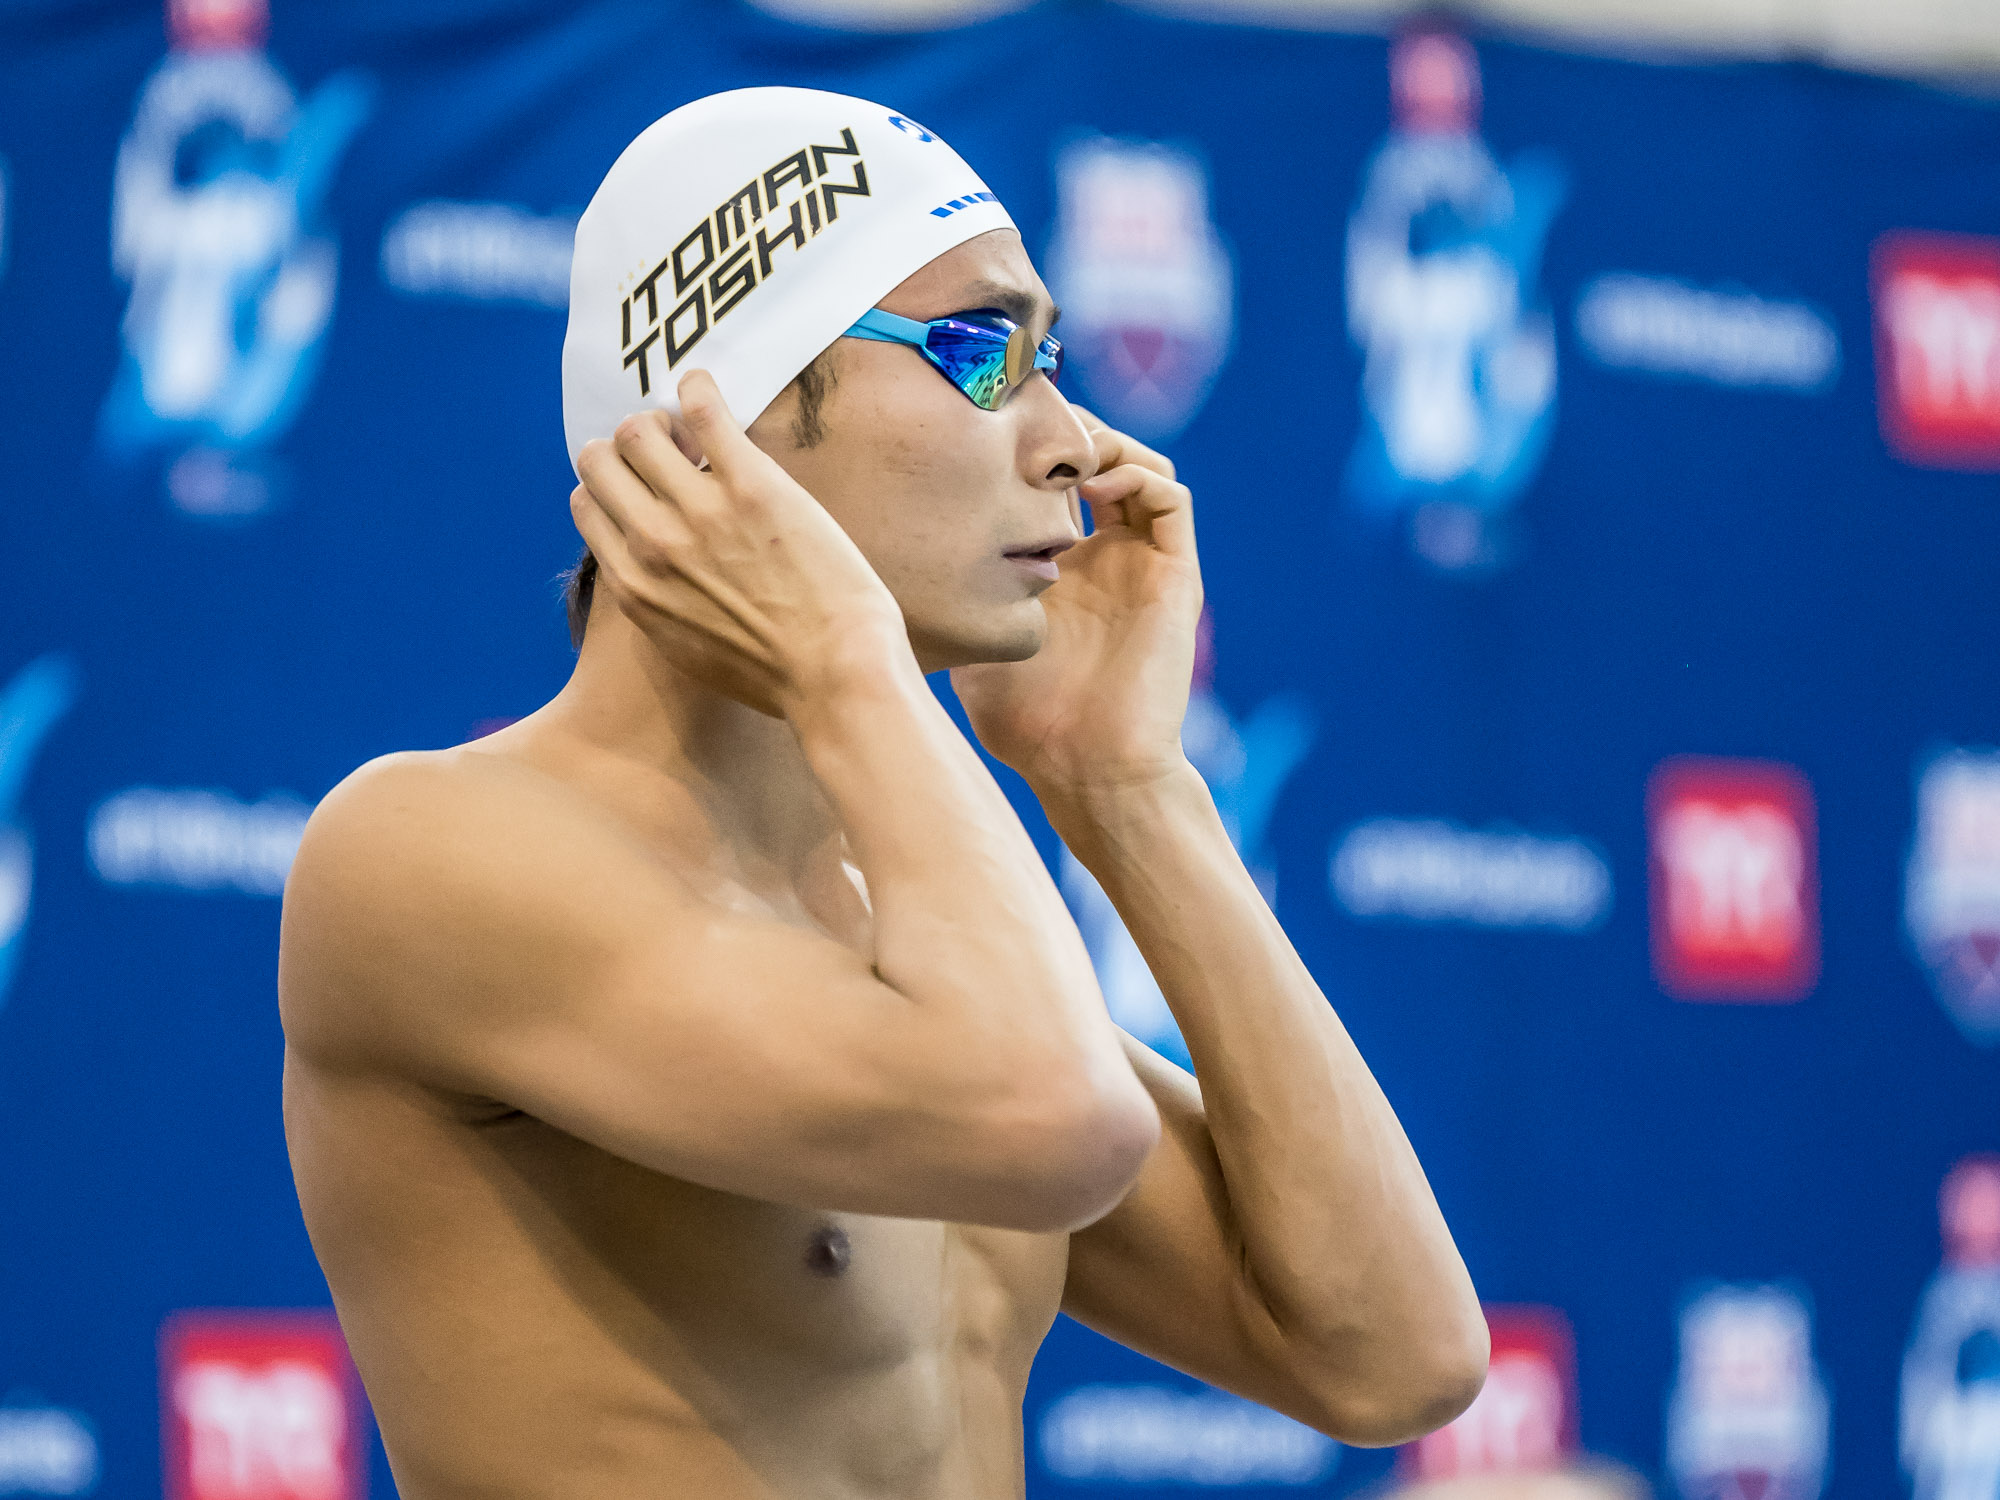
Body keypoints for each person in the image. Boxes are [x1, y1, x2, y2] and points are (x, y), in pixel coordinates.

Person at [278, 87, 1486, 1499]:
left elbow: (1391, 1358)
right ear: (722, 417)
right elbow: (1056, 1119)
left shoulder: (903, 935)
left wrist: (1123, 785)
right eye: (983, 353)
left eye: (1052, 360)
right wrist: (851, 660)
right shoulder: (429, 856)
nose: (1072, 442)